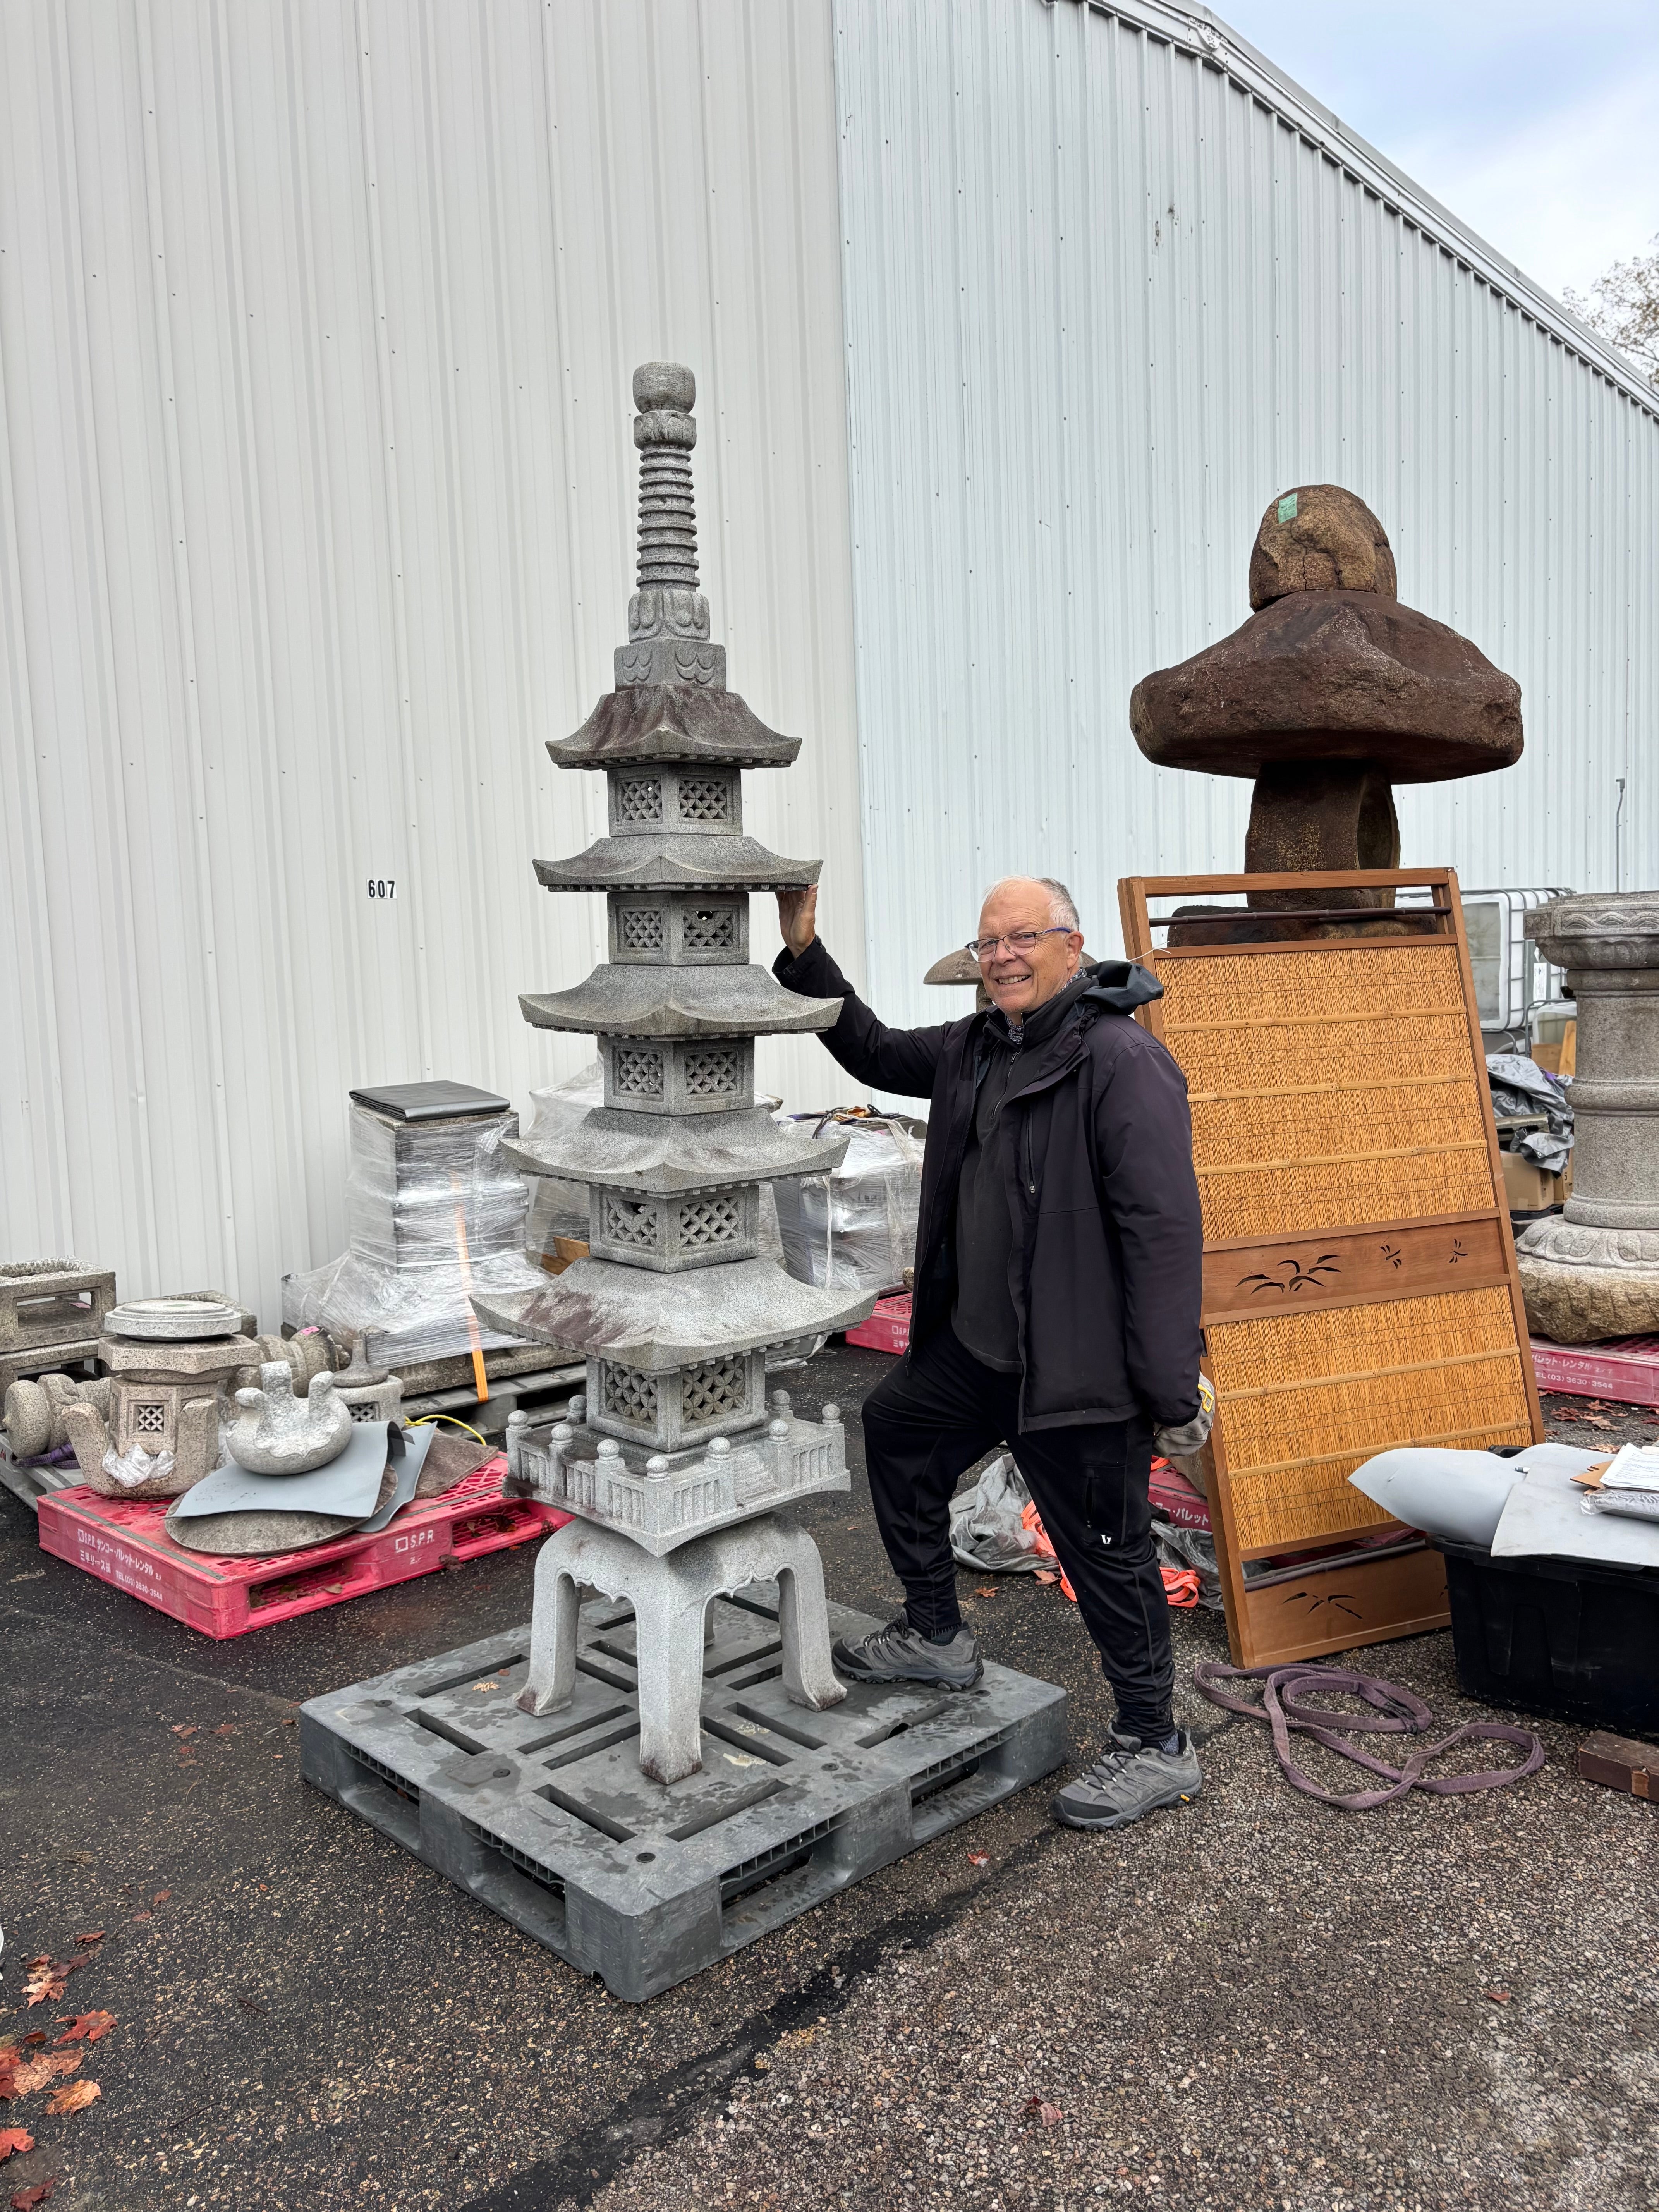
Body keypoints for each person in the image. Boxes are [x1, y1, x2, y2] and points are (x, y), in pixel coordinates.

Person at [774, 874, 1211, 1832]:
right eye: (988, 943)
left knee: (1108, 1555)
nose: (1003, 957)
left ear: (1072, 946)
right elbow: (873, 1049)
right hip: (979, 1351)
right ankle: (937, 1634)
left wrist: (1169, 1388)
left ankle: (1155, 1742)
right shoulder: (978, 1045)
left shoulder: (1121, 1061)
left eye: (1023, 938)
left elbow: (1163, 1234)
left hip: (1077, 1368)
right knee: (896, 1430)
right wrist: (805, 951)